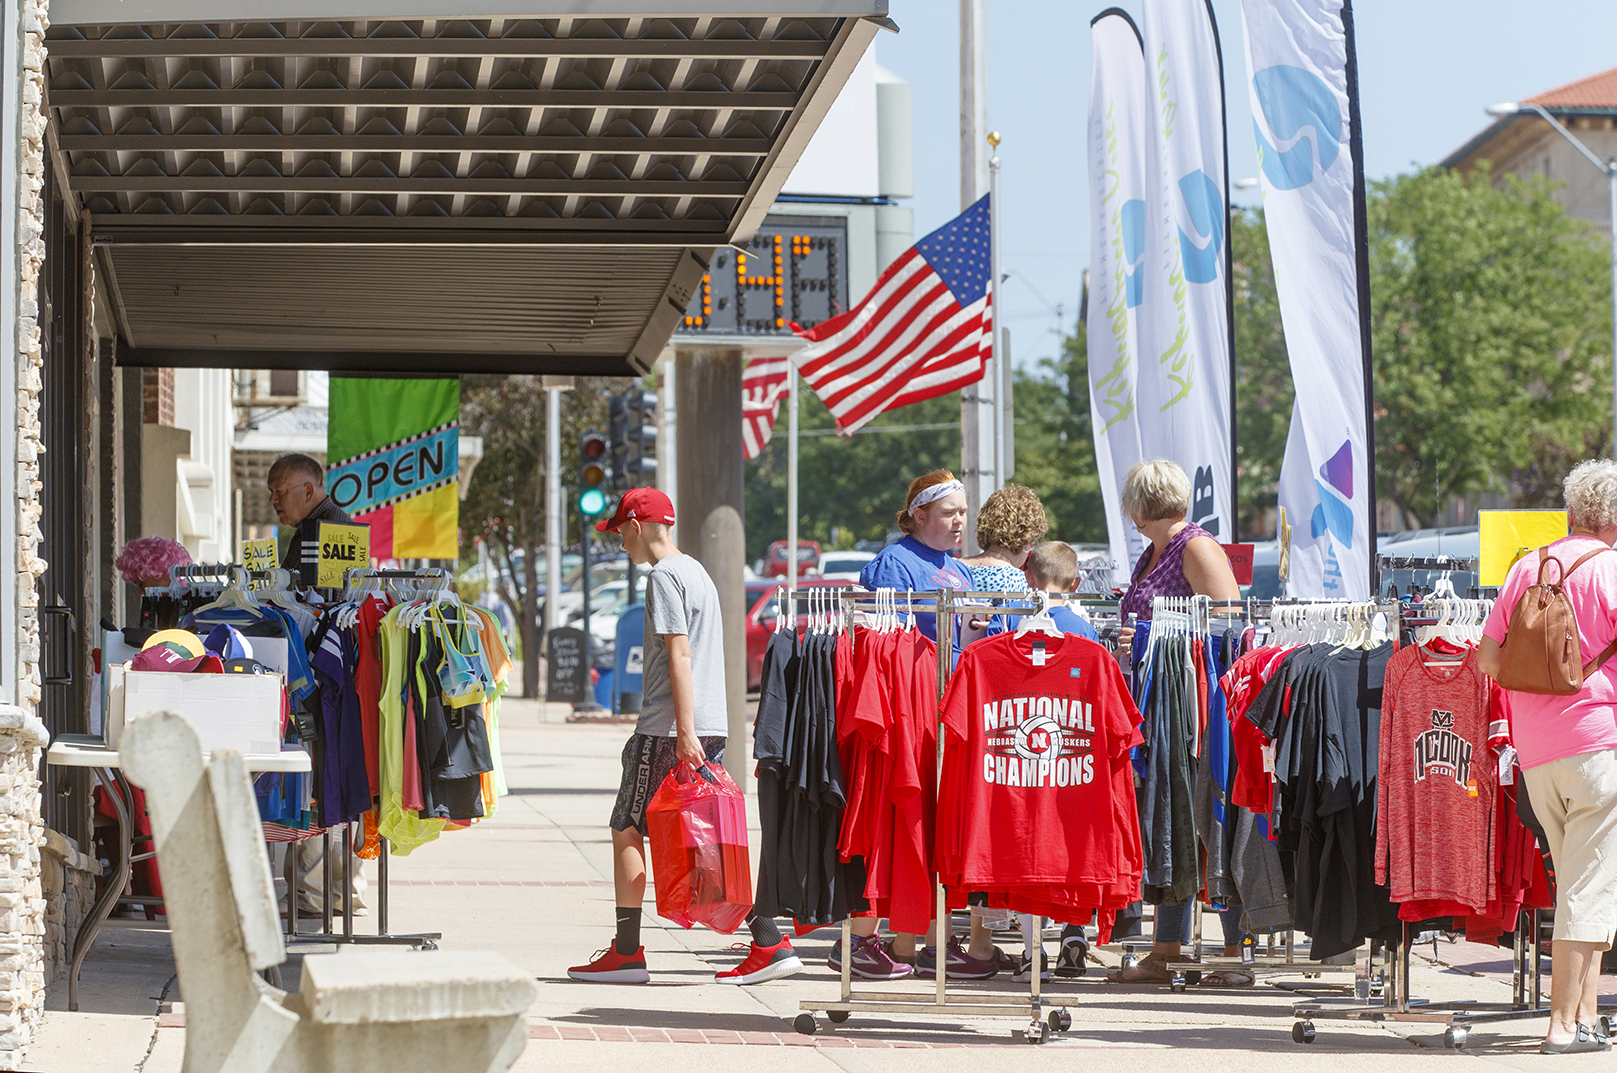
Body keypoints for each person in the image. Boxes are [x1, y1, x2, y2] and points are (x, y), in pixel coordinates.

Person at [568, 487, 804, 986]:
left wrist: (683, 732)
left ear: (636, 525)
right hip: (704, 724)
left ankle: (629, 952)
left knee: (627, 827)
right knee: (699, 841)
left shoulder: (662, 577)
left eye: (621, 534)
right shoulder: (696, 571)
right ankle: (767, 940)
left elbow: (679, 653)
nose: (622, 545)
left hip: (669, 727)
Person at [1479, 459, 1617, 1053]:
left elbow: (1487, 661)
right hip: (1597, 745)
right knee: (1588, 889)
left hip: (1537, 755)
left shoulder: (1528, 568)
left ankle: (1585, 1017)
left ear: (1571, 512)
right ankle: (1562, 1027)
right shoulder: (1613, 570)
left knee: (1578, 887)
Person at [840, 470, 998, 981]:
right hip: (907, 713)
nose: (960, 521)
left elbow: (972, 638)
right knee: (898, 826)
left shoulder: (958, 569)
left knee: (939, 830)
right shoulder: (895, 562)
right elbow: (886, 641)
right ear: (920, 515)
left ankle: (934, 939)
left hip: (947, 714)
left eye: (963, 511)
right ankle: (869, 940)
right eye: (949, 512)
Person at [1107, 459, 1243, 985]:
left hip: (1197, 701)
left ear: (1140, 506)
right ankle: (1167, 947)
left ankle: (1234, 950)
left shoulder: (1195, 547)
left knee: (1203, 812)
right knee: (1171, 813)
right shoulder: (1157, 551)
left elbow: (1230, 625)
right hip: (1160, 697)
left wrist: (1145, 637)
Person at [266, 453, 353, 583]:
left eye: (280, 491)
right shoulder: (310, 526)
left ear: (308, 491)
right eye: (271, 491)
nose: (272, 499)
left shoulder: (334, 531)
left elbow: (330, 601)